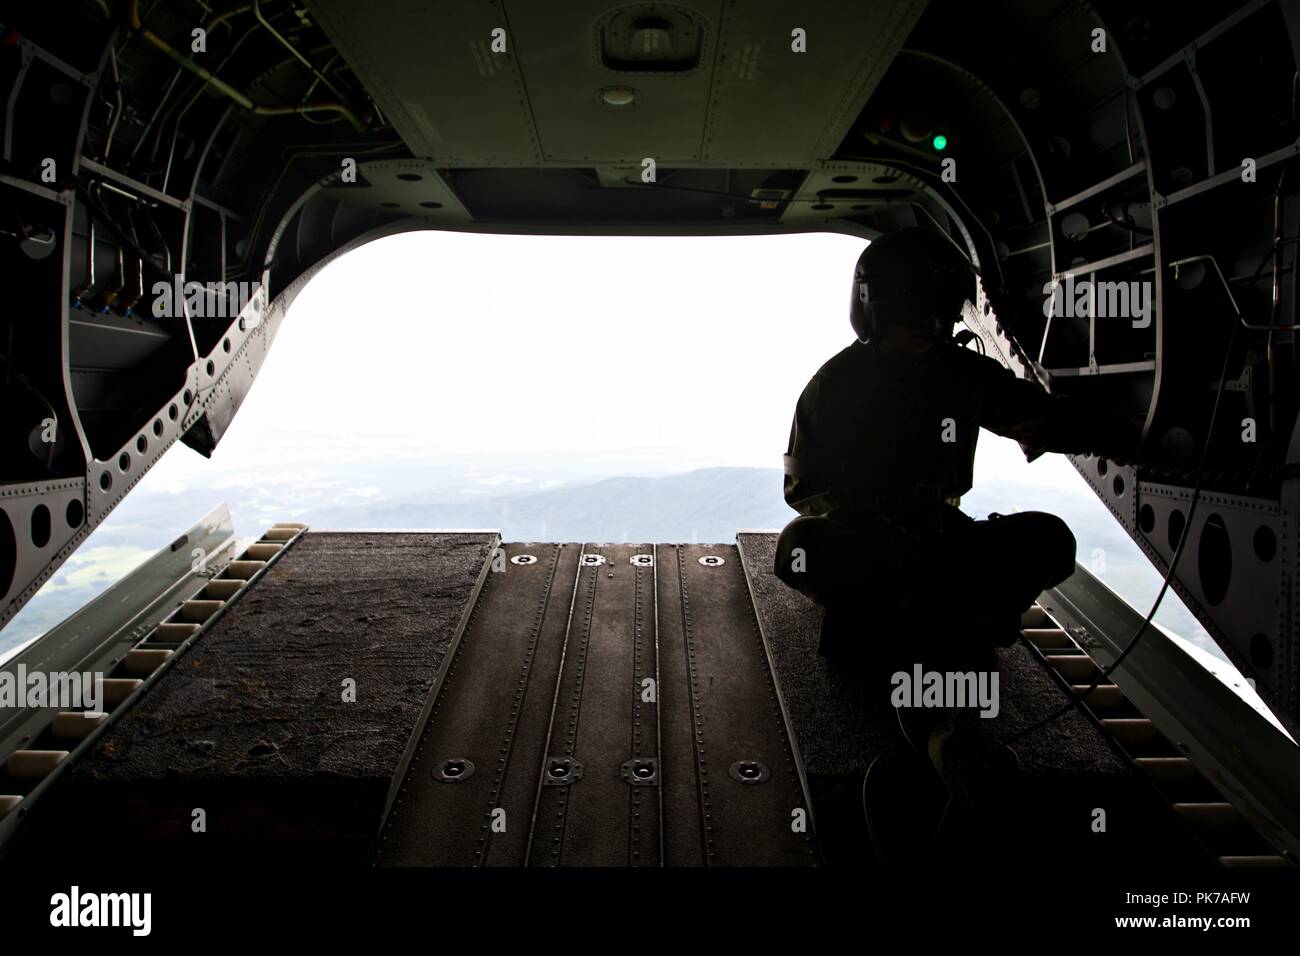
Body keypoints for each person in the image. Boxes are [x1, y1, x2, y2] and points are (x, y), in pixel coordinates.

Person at [774, 228, 1142, 660]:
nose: (928, 326)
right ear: (877, 312)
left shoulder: (963, 374)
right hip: (869, 542)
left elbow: (1039, 418)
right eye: (914, 315)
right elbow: (803, 490)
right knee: (798, 546)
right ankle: (932, 615)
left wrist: (1124, 436)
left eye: (935, 315)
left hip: (943, 536)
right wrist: (876, 528)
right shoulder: (834, 386)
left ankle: (917, 616)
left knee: (1052, 541)